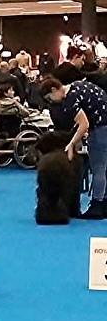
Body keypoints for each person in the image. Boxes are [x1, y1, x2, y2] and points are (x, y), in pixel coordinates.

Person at [40, 77, 107, 219]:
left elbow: (84, 124)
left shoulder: (70, 99)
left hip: (101, 127)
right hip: (103, 120)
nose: (51, 102)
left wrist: (71, 144)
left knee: (98, 168)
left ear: (54, 90)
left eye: (49, 98)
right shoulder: (75, 85)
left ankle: (97, 205)